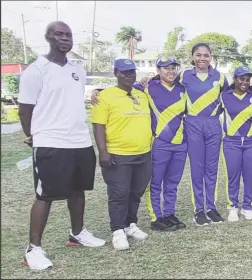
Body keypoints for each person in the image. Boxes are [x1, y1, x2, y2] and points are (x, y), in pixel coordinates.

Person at [18, 21, 105, 270]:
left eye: (68, 34)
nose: (65, 38)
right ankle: (33, 249)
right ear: (48, 37)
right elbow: (25, 110)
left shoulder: (76, 69)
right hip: (50, 142)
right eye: (59, 34)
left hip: (79, 141)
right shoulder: (35, 70)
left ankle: (77, 233)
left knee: (77, 190)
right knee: (44, 196)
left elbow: (73, 98)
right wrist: (32, 135)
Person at [91, 59, 153, 250]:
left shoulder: (141, 95)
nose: (129, 75)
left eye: (132, 72)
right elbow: (98, 125)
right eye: (125, 72)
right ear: (116, 73)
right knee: (119, 193)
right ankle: (117, 230)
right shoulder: (105, 96)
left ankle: (130, 224)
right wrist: (103, 151)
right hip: (118, 154)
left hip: (143, 152)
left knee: (136, 191)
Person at [133, 57, 188, 231]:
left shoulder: (182, 89)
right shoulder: (148, 86)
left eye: (173, 68)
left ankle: (169, 213)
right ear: (158, 70)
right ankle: (156, 217)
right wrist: (98, 90)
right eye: (166, 68)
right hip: (160, 143)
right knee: (155, 182)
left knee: (172, 182)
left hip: (180, 144)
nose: (170, 71)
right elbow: (123, 89)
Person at [180, 43, 229, 226]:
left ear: (211, 57)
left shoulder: (220, 77)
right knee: (197, 169)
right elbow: (160, 83)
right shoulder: (184, 75)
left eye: (206, 55)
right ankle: (198, 210)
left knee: (211, 168)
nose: (202, 58)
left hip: (213, 124)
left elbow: (232, 94)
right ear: (192, 56)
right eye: (198, 55)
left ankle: (211, 207)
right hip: (193, 124)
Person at [220, 66, 252, 221]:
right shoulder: (224, 95)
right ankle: (232, 207)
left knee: (249, 175)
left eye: (247, 79)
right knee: (233, 175)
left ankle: (247, 206)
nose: (244, 82)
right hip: (231, 142)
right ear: (235, 79)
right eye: (241, 78)